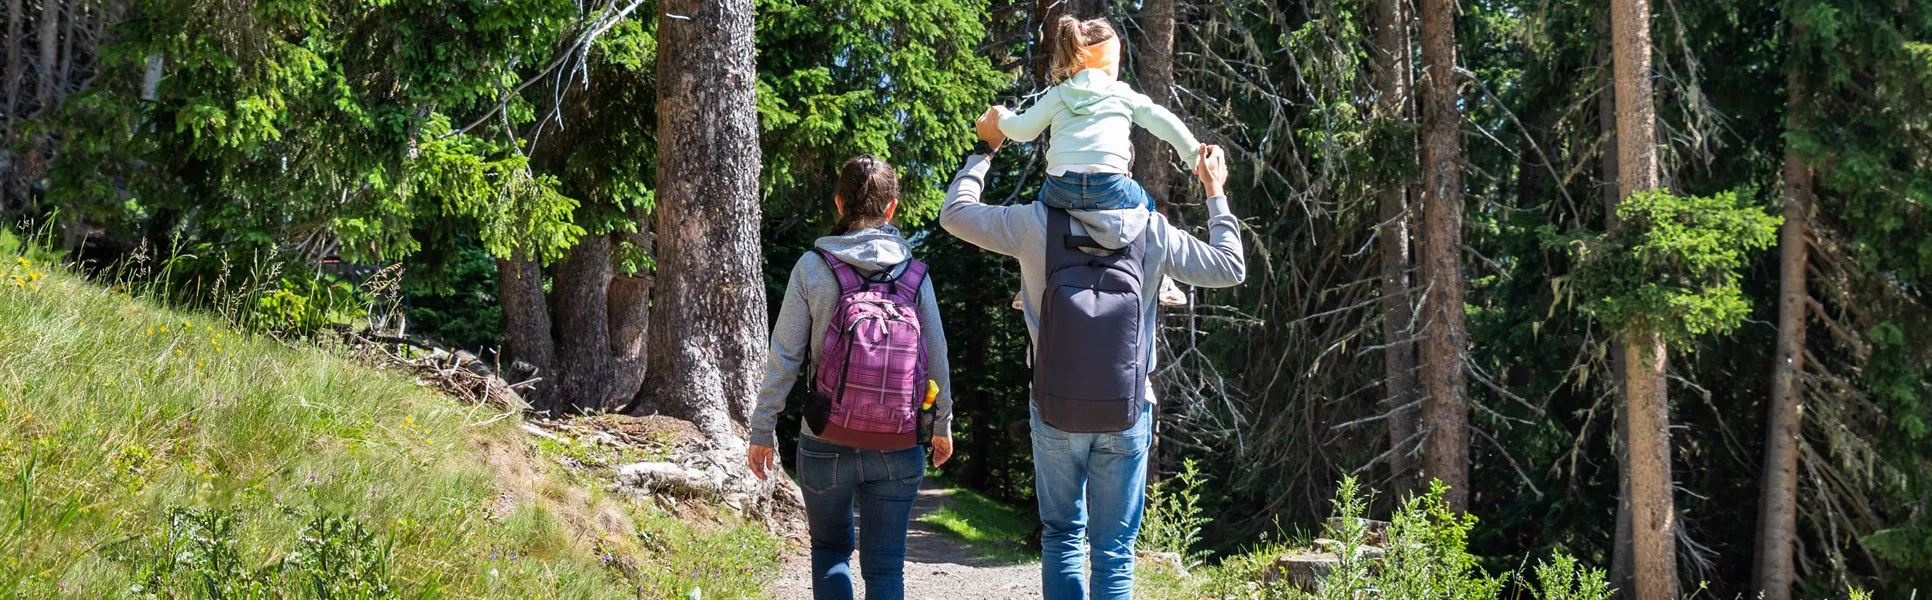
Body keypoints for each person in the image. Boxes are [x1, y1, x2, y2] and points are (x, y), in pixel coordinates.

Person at [941, 109, 1246, 599]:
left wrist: (986, 149)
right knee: (1114, 552)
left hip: (1053, 406)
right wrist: (1214, 190)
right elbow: (1231, 267)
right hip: (1126, 407)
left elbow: (955, 215)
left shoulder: (1032, 223)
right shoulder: (1153, 229)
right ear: (1125, 166)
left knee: (1062, 536)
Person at [748, 155, 955, 600]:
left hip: (826, 436)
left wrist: (763, 428)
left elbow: (784, 354)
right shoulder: (916, 276)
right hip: (899, 442)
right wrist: (941, 426)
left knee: (830, 550)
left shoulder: (812, 266)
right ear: (892, 208)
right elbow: (936, 359)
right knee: (884, 567)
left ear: (840, 203)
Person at [993, 14, 1198, 307]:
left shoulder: (1059, 94)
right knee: (1149, 212)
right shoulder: (1121, 93)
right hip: (1111, 185)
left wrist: (1001, 116)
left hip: (1060, 187)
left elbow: (1023, 131)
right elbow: (1161, 120)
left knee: (1040, 219)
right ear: (1109, 60)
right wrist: (1191, 153)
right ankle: (1163, 282)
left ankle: (1031, 286)